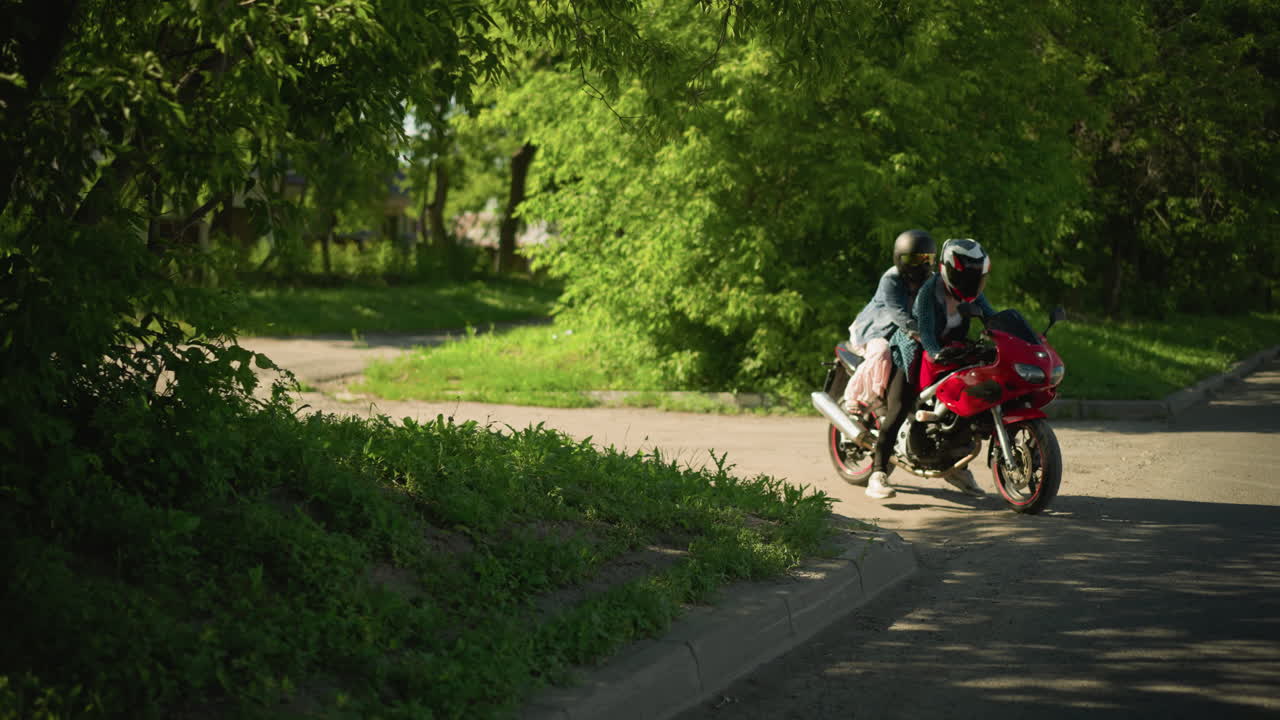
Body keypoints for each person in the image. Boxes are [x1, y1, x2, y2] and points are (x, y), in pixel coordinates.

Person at [866, 237, 995, 500]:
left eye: (974, 276)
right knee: (899, 406)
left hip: (952, 351)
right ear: (948, 269)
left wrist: (1011, 334)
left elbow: (992, 317)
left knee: (963, 404)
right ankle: (878, 473)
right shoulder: (929, 290)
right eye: (963, 275)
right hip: (915, 350)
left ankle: (955, 466)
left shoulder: (975, 295)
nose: (970, 283)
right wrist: (935, 351)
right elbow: (924, 327)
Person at [844, 229, 937, 413]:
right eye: (915, 259)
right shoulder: (892, 278)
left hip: (908, 332)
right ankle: (856, 397)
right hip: (878, 329)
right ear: (900, 258)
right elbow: (898, 313)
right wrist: (922, 334)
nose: (923, 265)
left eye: (928, 259)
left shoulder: (932, 280)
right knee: (882, 352)